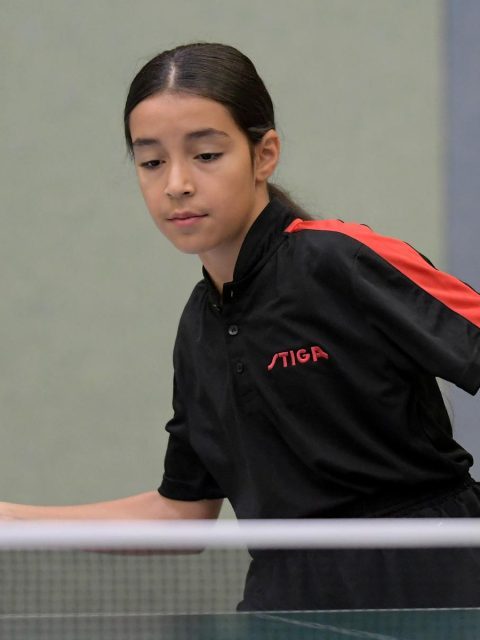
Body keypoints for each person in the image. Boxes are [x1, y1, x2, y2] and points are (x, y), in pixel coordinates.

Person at [1, 42, 480, 610]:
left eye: (206, 154)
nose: (176, 183)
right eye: (151, 162)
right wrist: (14, 519)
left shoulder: (340, 260)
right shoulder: (198, 329)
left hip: (433, 582)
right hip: (289, 600)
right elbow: (183, 515)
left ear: (264, 154)